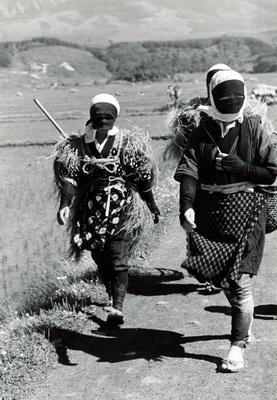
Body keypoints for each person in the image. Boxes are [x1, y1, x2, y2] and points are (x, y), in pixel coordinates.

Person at [174, 68, 277, 372]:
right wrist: (187, 206)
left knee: (241, 283)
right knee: (223, 281)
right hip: (210, 213)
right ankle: (242, 326)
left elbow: (271, 173)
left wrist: (241, 167)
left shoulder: (257, 129)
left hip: (246, 211)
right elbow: (189, 171)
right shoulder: (200, 131)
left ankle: (237, 347)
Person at [54, 93, 160, 325]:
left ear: (114, 119)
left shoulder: (127, 144)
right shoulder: (79, 145)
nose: (102, 127)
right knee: (99, 256)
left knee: (118, 257)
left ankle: (117, 308)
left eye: (107, 121)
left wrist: (152, 205)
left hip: (123, 208)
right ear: (92, 119)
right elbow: (70, 179)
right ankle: (112, 293)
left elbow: (142, 179)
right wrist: (65, 204)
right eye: (98, 121)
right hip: (91, 209)